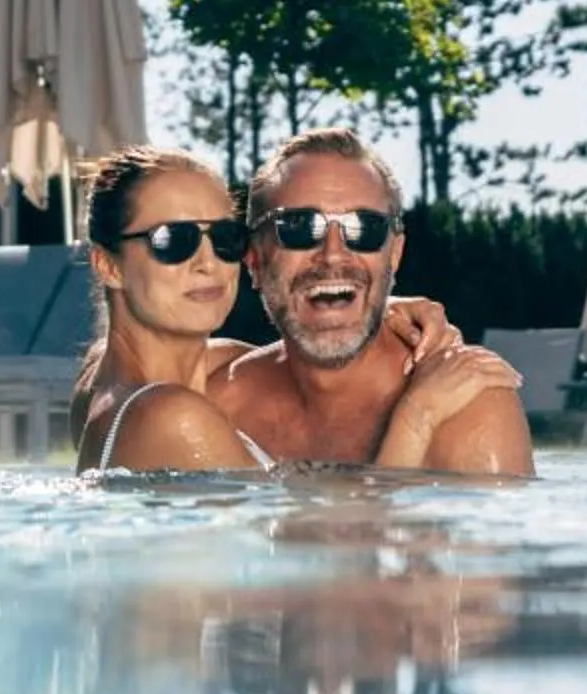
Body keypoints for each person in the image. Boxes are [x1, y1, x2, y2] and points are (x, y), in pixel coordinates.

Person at [73, 143, 507, 472]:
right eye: (173, 241)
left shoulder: (100, 384)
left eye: (224, 239)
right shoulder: (174, 417)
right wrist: (417, 417)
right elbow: (337, 557)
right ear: (108, 265)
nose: (208, 263)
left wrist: (368, 304)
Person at [208, 127, 536, 476]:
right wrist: (414, 420)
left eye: (365, 228)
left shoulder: (468, 405)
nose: (333, 255)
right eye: (299, 227)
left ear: (394, 255)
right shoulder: (218, 403)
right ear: (255, 260)